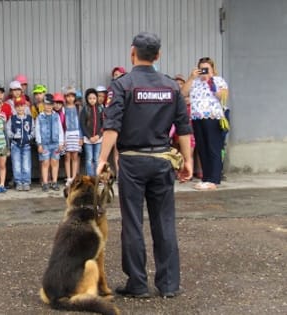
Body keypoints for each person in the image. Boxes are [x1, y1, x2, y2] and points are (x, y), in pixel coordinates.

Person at [96, 31, 193, 298]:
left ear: (132, 53)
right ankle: (169, 285)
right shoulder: (171, 86)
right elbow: (183, 128)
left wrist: (102, 159)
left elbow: (112, 126)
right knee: (164, 222)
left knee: (133, 223)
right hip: (163, 160)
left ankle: (137, 284)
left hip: (132, 162)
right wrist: (188, 161)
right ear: (158, 56)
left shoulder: (122, 85)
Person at [181, 57, 229, 190]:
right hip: (197, 117)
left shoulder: (218, 80)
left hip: (213, 117)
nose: (204, 71)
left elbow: (223, 96)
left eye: (206, 69)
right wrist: (191, 78)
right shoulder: (195, 82)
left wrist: (211, 82)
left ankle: (214, 179)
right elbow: (183, 93)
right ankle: (206, 178)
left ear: (212, 69)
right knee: (202, 148)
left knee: (213, 147)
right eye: (202, 68)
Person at [35, 94, 64, 192]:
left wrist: (61, 143)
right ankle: (45, 182)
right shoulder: (40, 117)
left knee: (55, 162)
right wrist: (39, 144)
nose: (49, 107)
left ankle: (54, 181)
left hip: (55, 144)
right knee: (45, 163)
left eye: (51, 104)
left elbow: (60, 130)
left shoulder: (56, 116)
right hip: (44, 144)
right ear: (43, 104)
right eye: (47, 104)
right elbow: (37, 131)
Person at [7, 96, 34, 191]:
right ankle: (18, 182)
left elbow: (33, 130)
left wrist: (29, 137)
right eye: (17, 106)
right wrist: (13, 135)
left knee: (26, 164)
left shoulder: (29, 119)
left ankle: (26, 182)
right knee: (16, 163)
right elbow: (7, 130)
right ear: (15, 107)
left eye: (22, 105)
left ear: (25, 106)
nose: (20, 108)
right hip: (15, 145)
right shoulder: (12, 118)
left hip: (26, 145)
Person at [80, 88, 103, 176]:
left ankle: (97, 177)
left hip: (98, 139)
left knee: (96, 159)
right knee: (89, 158)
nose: (92, 100)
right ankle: (90, 177)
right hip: (88, 139)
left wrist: (98, 135)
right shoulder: (85, 110)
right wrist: (89, 137)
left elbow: (103, 124)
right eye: (90, 98)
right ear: (87, 99)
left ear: (96, 98)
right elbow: (82, 124)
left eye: (94, 98)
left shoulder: (100, 109)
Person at [63, 86, 83, 186]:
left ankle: (74, 177)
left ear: (75, 97)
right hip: (67, 134)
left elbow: (81, 124)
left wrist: (81, 137)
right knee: (67, 156)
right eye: (68, 96)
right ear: (65, 97)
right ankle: (69, 177)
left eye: (72, 96)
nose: (70, 98)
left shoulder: (78, 108)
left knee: (75, 156)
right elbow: (62, 124)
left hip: (76, 133)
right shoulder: (63, 108)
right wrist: (63, 138)